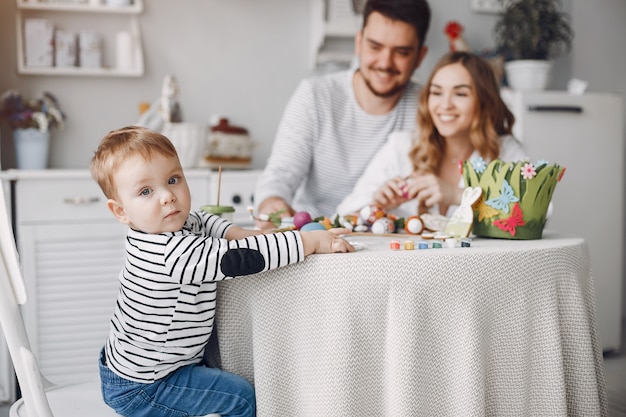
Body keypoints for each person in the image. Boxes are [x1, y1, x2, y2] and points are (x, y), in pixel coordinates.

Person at [91, 126, 353, 417]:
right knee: (239, 399)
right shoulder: (169, 255)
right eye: (146, 191)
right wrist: (306, 242)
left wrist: (253, 233)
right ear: (121, 212)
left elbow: (209, 222)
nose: (167, 196)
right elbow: (238, 259)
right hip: (146, 385)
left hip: (143, 366)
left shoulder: (178, 225)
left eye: (173, 179)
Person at [253, 0, 431, 228]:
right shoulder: (315, 96)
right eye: (375, 47)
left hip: (388, 241)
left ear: (420, 56)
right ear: (359, 43)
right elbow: (280, 174)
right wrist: (272, 203)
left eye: (402, 52)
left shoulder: (430, 107)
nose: (385, 63)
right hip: (314, 235)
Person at [336, 51, 527, 219]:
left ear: (484, 102)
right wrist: (378, 206)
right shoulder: (402, 147)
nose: (445, 105)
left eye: (460, 94)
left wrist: (457, 195)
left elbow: (533, 216)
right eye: (436, 93)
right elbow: (343, 214)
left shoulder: (505, 152)